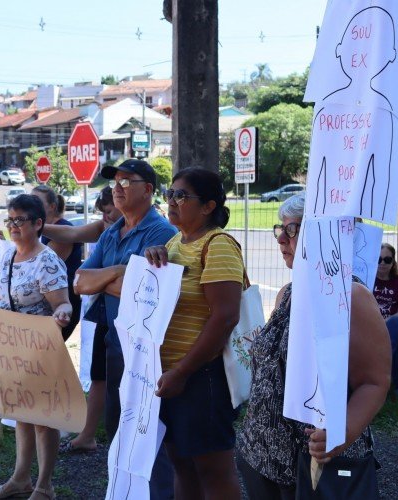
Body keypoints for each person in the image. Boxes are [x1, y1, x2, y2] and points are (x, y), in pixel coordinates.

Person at [237, 193, 390, 499]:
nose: (281, 239)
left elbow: (375, 381)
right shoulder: (286, 294)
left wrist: (341, 435)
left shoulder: (352, 296)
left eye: (292, 229)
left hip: (317, 464)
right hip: (261, 457)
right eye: (280, 229)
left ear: (324, 234)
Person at [74, 159, 177, 499]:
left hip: (150, 351)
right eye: (115, 182)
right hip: (117, 344)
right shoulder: (110, 232)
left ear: (148, 189)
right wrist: (121, 271)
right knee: (121, 427)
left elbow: (155, 291)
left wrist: (111, 278)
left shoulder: (161, 232)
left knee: (151, 431)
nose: (116, 188)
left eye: (126, 181)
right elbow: (79, 283)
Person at [0, 194, 72, 500]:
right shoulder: (9, 255)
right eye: (10, 220)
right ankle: (21, 479)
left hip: (38, 349)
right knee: (21, 413)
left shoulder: (47, 260)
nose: (13, 226)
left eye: (19, 220)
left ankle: (44, 486)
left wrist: (63, 312)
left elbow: (62, 303)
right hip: (10, 348)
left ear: (38, 224)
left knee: (42, 419)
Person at [143, 167, 243, 499]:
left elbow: (225, 316)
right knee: (182, 466)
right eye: (169, 194)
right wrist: (154, 257)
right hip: (169, 377)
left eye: (181, 196)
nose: (171, 201)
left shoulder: (219, 245)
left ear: (208, 206)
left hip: (201, 377)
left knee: (213, 472)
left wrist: (183, 371)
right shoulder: (174, 241)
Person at [41, 186, 122, 453]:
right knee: (99, 374)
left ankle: (106, 434)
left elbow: (130, 280)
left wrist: (102, 279)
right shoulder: (106, 227)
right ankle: (88, 434)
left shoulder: (147, 229)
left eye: (109, 212)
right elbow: (82, 276)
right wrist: (35, 225)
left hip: (124, 313)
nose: (106, 218)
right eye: (103, 213)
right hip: (103, 310)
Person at [31, 184, 82, 340]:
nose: (31, 206)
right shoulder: (44, 230)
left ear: (52, 206)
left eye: (36, 202)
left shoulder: (63, 230)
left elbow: (41, 266)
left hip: (61, 304)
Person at [372, 243, 398, 402]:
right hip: (373, 331)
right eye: (378, 259)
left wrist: (383, 323)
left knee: (395, 324)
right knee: (392, 346)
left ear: (393, 262)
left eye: (387, 259)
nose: (382, 263)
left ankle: (378, 370)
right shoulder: (367, 282)